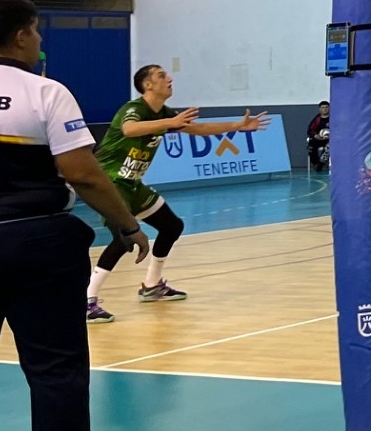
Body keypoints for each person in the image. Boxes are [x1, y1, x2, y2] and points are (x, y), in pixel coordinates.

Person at [0, 0, 149, 431]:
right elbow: (82, 173)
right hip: (38, 245)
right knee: (56, 373)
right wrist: (126, 224)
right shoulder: (45, 91)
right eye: (36, 31)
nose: (40, 41)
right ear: (21, 35)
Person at [86, 65, 266, 320]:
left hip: (132, 184)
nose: (169, 78)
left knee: (171, 226)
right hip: (109, 184)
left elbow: (199, 130)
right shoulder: (134, 109)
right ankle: (87, 300)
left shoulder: (165, 113)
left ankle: (152, 285)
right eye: (161, 76)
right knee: (124, 239)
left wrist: (237, 125)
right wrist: (170, 123)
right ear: (147, 85)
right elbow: (129, 129)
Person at [306, 100, 330, 172]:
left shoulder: (333, 118)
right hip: (319, 138)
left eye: (326, 107)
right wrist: (315, 135)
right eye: (323, 107)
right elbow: (310, 130)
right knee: (311, 144)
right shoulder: (317, 119)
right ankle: (315, 163)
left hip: (330, 140)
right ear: (319, 109)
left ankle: (320, 164)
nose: (325, 109)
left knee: (329, 147)